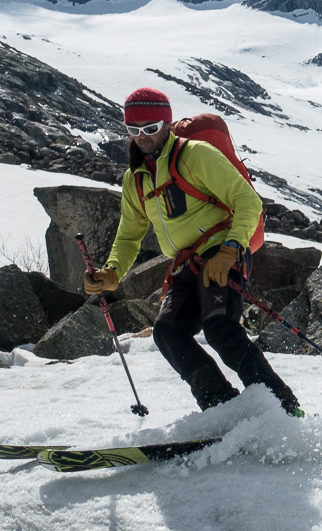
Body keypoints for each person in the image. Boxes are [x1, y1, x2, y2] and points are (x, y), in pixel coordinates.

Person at [84, 87, 302, 416]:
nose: (142, 138)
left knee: (219, 327)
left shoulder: (196, 155)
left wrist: (230, 250)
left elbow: (247, 201)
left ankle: (282, 407)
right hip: (185, 264)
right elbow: (130, 235)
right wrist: (112, 272)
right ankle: (220, 406)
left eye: (150, 128)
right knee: (168, 333)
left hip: (222, 251)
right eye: (133, 130)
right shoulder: (135, 179)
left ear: (167, 125)